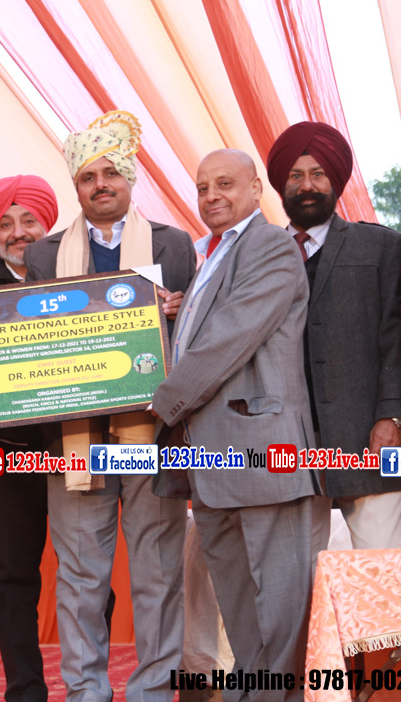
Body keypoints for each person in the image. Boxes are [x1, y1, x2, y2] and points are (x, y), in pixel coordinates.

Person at [23, 111, 195, 702]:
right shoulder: (44, 255)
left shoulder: (176, 245)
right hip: (75, 438)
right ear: (76, 187)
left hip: (156, 434)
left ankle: (154, 691)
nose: (100, 184)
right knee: (80, 579)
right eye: (87, 177)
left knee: (158, 573)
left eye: (111, 173)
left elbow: (200, 335)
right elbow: (32, 341)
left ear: (129, 177)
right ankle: (85, 692)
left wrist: (180, 313)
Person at [151, 149, 322, 701]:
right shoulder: (212, 254)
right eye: (203, 188)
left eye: (224, 183)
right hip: (208, 458)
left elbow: (232, 336)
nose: (212, 196)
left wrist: (161, 402)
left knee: (282, 604)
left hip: (262, 448)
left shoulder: (269, 244)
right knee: (239, 604)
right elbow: (198, 337)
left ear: (255, 188)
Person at [266, 121, 401, 549]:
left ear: (335, 179)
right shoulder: (260, 256)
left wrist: (392, 417)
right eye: (295, 176)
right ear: (280, 185)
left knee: (385, 572)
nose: (307, 185)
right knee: (295, 575)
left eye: (318, 173)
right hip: (285, 441)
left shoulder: (379, 246)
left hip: (369, 436)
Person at [0, 174, 59, 700]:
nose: (18, 232)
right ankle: (24, 690)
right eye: (5, 224)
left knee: (88, 572)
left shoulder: (82, 285)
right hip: (3, 455)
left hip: (73, 447)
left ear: (49, 224)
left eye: (29, 220)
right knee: (11, 577)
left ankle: (90, 684)